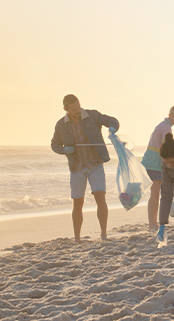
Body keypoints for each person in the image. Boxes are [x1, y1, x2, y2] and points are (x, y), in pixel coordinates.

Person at [51, 94, 119, 242]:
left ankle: (103, 234)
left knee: (100, 198)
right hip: (76, 167)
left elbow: (112, 121)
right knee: (77, 202)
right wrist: (64, 150)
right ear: (66, 109)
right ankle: (77, 238)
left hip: (95, 164)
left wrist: (114, 127)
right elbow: (54, 145)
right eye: (74, 109)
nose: (78, 110)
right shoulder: (60, 124)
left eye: (78, 106)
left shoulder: (92, 115)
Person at [141, 106, 174, 230]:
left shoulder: (163, 125)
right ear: (169, 114)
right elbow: (167, 147)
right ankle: (152, 224)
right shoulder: (166, 127)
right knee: (154, 194)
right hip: (153, 163)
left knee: (156, 193)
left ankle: (153, 223)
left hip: (153, 162)